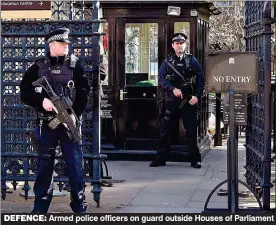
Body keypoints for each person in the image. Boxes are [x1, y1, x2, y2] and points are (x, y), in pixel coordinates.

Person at [20, 28, 90, 213]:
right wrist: (41, 101)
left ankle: (79, 204)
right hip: (46, 124)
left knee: (75, 165)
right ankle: (40, 207)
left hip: (69, 124)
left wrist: (74, 115)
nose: (66, 47)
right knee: (45, 166)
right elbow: (25, 92)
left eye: (67, 44)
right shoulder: (37, 68)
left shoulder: (76, 66)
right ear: (51, 45)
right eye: (62, 44)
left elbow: (84, 93)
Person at [149, 33, 205, 169]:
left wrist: (197, 96)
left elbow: (201, 78)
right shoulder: (167, 62)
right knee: (165, 131)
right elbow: (161, 79)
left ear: (185, 45)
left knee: (191, 132)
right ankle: (160, 158)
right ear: (173, 45)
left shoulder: (191, 60)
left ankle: (194, 160)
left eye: (182, 43)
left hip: (188, 101)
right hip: (172, 101)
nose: (180, 46)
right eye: (177, 43)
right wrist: (172, 88)